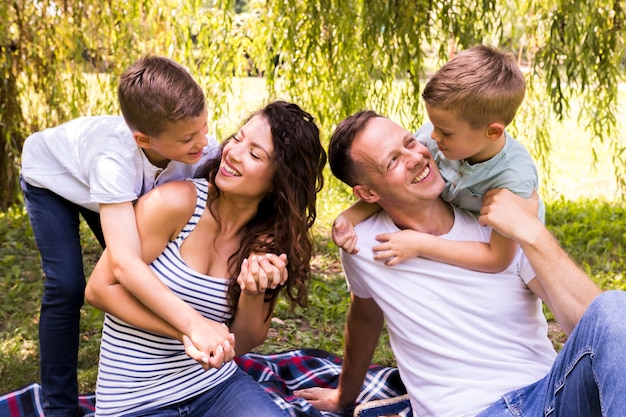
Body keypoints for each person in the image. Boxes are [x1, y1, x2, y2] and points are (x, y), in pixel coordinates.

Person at [294, 111, 626, 417]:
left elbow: (596, 329)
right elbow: (364, 316)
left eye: (410, 142)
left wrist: (532, 232)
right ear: (366, 193)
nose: (415, 158)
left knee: (614, 306)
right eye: (393, 160)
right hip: (471, 410)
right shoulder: (362, 245)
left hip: (549, 398)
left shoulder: (497, 225)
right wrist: (343, 396)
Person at [84, 100, 327, 417]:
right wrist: (191, 330)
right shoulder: (174, 204)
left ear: (280, 181)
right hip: (136, 400)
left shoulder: (267, 241)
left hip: (216, 388)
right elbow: (99, 289)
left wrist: (253, 291)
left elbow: (241, 343)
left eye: (255, 154)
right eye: (238, 139)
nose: (233, 154)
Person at [19, 55, 222, 417]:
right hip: (53, 181)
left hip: (115, 192)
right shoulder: (114, 161)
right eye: (190, 138)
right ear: (144, 139)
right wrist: (192, 324)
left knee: (151, 273)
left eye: (205, 127)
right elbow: (126, 263)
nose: (203, 142)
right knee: (67, 285)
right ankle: (59, 408)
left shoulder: (196, 144)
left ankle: (157, 376)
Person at [333, 45, 541, 273]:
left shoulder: (513, 178)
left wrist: (420, 244)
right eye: (433, 125)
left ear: (492, 132)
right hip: (454, 233)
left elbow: (497, 259)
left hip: (517, 266)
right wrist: (350, 216)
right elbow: (390, 186)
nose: (432, 136)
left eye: (445, 132)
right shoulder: (435, 138)